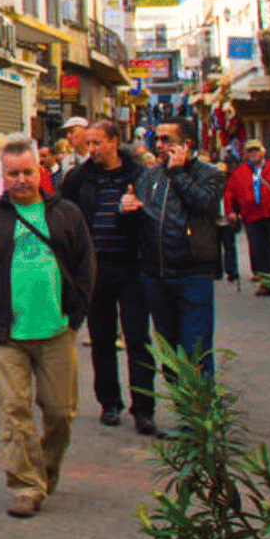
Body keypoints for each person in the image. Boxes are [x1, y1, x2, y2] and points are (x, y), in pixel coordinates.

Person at [0, 135, 96, 517]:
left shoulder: (66, 214)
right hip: (7, 335)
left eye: (27, 172)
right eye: (12, 174)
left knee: (61, 412)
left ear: (40, 171)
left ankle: (46, 470)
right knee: (14, 411)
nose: (21, 180)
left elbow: (85, 266)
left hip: (56, 331)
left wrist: (76, 314)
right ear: (3, 176)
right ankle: (25, 485)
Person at [60, 119, 154, 434]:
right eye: (89, 143)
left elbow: (155, 218)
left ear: (114, 141)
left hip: (132, 266)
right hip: (95, 268)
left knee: (138, 338)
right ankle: (109, 403)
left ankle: (144, 407)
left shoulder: (139, 176)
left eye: (97, 143)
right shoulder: (78, 178)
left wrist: (137, 210)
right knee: (101, 337)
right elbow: (65, 219)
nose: (92, 149)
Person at [125, 121, 225, 384]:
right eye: (156, 139)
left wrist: (178, 173)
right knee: (169, 351)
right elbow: (143, 215)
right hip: (156, 273)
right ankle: (183, 410)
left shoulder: (209, 173)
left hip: (193, 273)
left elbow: (204, 204)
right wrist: (127, 208)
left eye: (166, 139)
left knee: (195, 350)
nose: (158, 145)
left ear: (186, 144)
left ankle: (198, 418)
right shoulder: (150, 175)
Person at [224, 139, 270, 295]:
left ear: (262, 152)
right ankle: (265, 281)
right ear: (245, 154)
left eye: (256, 150)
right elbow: (230, 194)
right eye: (250, 151)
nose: (253, 153)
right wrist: (231, 211)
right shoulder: (239, 173)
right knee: (258, 250)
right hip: (252, 217)